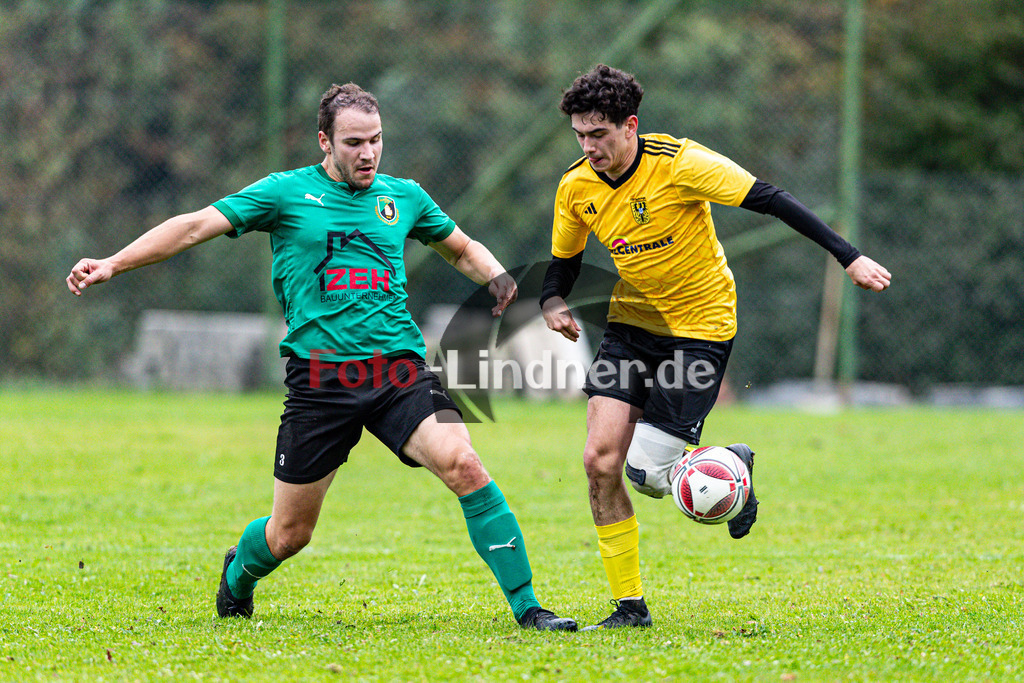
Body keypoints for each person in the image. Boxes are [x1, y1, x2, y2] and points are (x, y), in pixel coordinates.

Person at [66, 83, 577, 632]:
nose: (368, 153)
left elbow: (460, 245)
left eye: (376, 140)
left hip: (398, 371)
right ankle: (238, 573)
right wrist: (114, 263)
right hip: (320, 382)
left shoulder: (403, 196)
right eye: (354, 142)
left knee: (464, 464)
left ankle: (529, 608)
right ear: (324, 143)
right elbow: (194, 227)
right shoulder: (283, 194)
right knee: (290, 535)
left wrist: (495, 275)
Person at [539, 65, 891, 630]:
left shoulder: (680, 162)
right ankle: (630, 607)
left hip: (700, 330)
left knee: (648, 476)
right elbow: (564, 261)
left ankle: (734, 466)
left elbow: (771, 199)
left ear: (630, 126)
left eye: (599, 134)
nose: (589, 146)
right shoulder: (576, 186)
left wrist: (847, 255)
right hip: (631, 328)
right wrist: (552, 302)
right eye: (580, 135)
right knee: (598, 462)